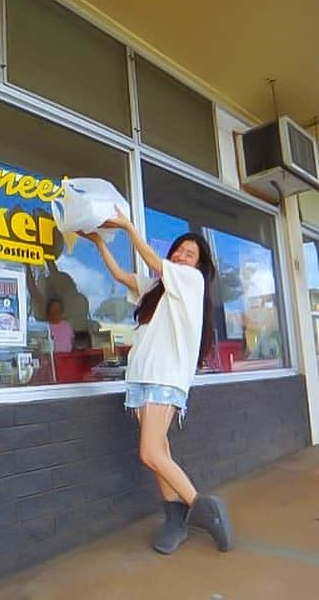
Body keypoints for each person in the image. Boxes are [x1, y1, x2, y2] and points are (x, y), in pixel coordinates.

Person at [80, 208, 234, 555]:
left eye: (189, 253)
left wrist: (127, 226)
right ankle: (174, 519)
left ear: (198, 264)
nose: (181, 255)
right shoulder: (159, 288)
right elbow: (121, 275)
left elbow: (152, 259)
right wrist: (98, 244)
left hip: (165, 377)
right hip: (140, 377)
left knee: (149, 452)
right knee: (160, 450)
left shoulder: (191, 282)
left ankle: (203, 508)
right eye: (178, 250)